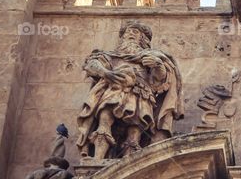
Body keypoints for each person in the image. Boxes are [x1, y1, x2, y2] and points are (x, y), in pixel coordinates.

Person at [76, 21, 183, 159]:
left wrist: (158, 65)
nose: (131, 34)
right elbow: (92, 65)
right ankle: (97, 159)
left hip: (141, 93)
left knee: (135, 131)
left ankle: (130, 162)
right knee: (104, 122)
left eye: (135, 32)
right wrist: (107, 73)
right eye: (128, 32)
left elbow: (160, 80)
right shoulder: (111, 55)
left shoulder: (151, 56)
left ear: (143, 39)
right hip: (114, 89)